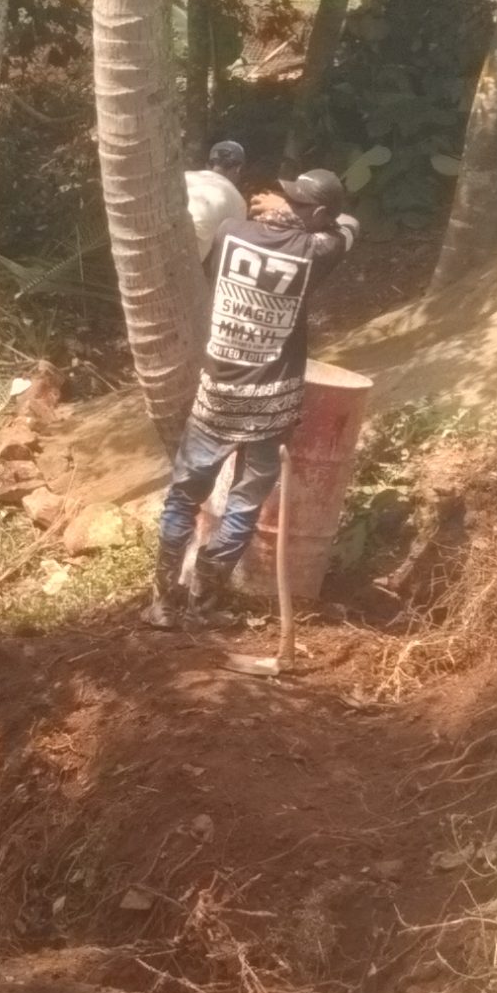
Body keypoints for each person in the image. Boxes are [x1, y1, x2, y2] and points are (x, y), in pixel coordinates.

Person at [145, 169, 360, 630]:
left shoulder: (230, 232)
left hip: (217, 395)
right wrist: (302, 220)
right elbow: (350, 226)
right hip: (270, 405)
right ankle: (204, 605)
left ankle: (165, 603)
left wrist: (278, 214)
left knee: (183, 497)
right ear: (321, 215)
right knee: (243, 505)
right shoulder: (317, 250)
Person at [183, 140, 249, 264]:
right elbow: (232, 249)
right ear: (238, 169)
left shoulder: (185, 176)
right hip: (187, 262)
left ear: (208, 165)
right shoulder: (238, 201)